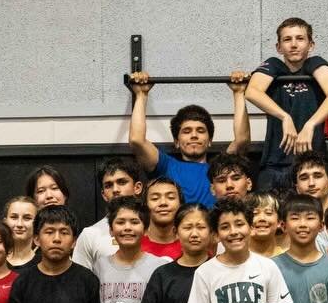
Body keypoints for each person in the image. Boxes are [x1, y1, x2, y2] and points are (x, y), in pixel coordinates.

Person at [246, 17, 328, 190]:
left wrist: (310, 124)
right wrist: (285, 117)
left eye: (300, 38)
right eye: (287, 39)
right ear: (279, 47)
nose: (293, 44)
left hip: (311, 164)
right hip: (275, 163)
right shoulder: (273, 65)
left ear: (311, 45)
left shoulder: (316, 64)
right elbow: (252, 91)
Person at [126, 74, 251, 208]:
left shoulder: (221, 168)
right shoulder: (167, 166)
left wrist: (238, 93)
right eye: (187, 131)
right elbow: (137, 140)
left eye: (200, 131)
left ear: (210, 140)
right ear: (176, 141)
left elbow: (242, 139)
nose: (194, 135)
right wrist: (141, 95)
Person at [72, 158, 144, 271]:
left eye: (122, 182)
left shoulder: (154, 230)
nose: (115, 190)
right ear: (104, 194)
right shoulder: (90, 235)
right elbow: (80, 279)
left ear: (137, 188)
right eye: (108, 185)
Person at [142, 176, 183, 260]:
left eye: (171, 197)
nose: (163, 203)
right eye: (155, 198)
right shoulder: (134, 244)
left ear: (180, 204)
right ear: (145, 206)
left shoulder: (192, 245)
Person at [3, 195, 38, 271]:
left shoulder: (44, 264)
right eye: (14, 217)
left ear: (37, 224)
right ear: (5, 222)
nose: (19, 224)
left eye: (27, 218)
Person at [249, 192, 284, 257]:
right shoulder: (235, 257)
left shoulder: (287, 259)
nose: (262, 218)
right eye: (255, 213)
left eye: (268, 213)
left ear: (279, 222)